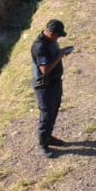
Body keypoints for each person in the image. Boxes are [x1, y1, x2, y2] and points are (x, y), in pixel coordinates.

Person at [31, 19, 72, 158]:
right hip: (44, 86)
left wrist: (61, 51)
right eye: (57, 35)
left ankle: (49, 137)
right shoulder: (40, 47)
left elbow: (52, 56)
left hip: (54, 82)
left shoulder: (51, 41)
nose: (58, 37)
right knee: (47, 114)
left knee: (54, 110)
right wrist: (60, 55)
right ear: (49, 32)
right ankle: (42, 144)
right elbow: (45, 69)